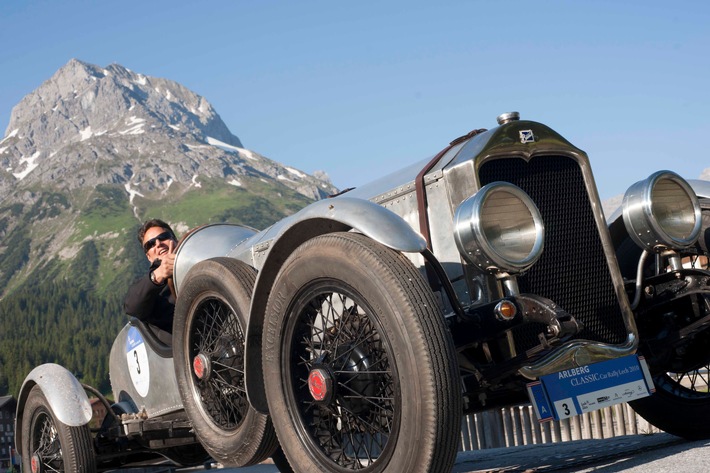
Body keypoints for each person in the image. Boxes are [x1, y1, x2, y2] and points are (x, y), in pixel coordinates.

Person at [124, 219, 178, 340]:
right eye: (151, 244)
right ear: (148, 256)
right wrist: (159, 274)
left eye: (163, 237)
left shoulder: (195, 262)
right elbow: (132, 306)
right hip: (184, 351)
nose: (158, 243)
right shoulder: (150, 288)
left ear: (175, 240)